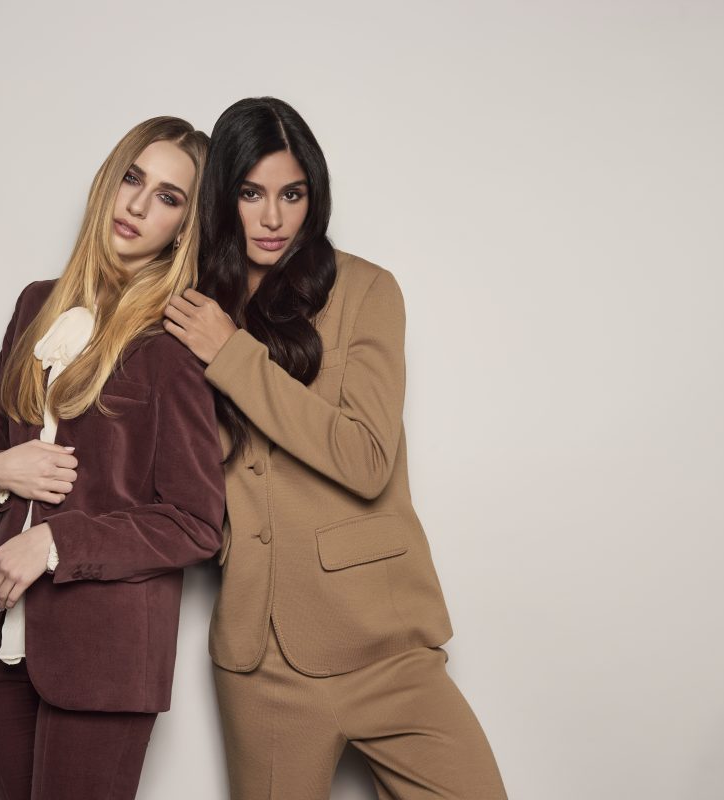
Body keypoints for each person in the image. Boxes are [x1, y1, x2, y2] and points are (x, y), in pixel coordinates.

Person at [164, 98, 509, 800]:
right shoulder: (191, 306)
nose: (273, 218)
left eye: (291, 195)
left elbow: (365, 457)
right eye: (251, 194)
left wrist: (232, 356)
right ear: (223, 196)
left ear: (313, 196)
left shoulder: (365, 290)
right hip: (261, 658)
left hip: (382, 640)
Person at [0, 116, 223, 800]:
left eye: (168, 197)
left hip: (105, 654)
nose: (138, 205)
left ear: (185, 227)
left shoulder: (173, 343)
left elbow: (196, 522)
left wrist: (56, 543)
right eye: (132, 178)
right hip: (3, 635)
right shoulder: (36, 306)